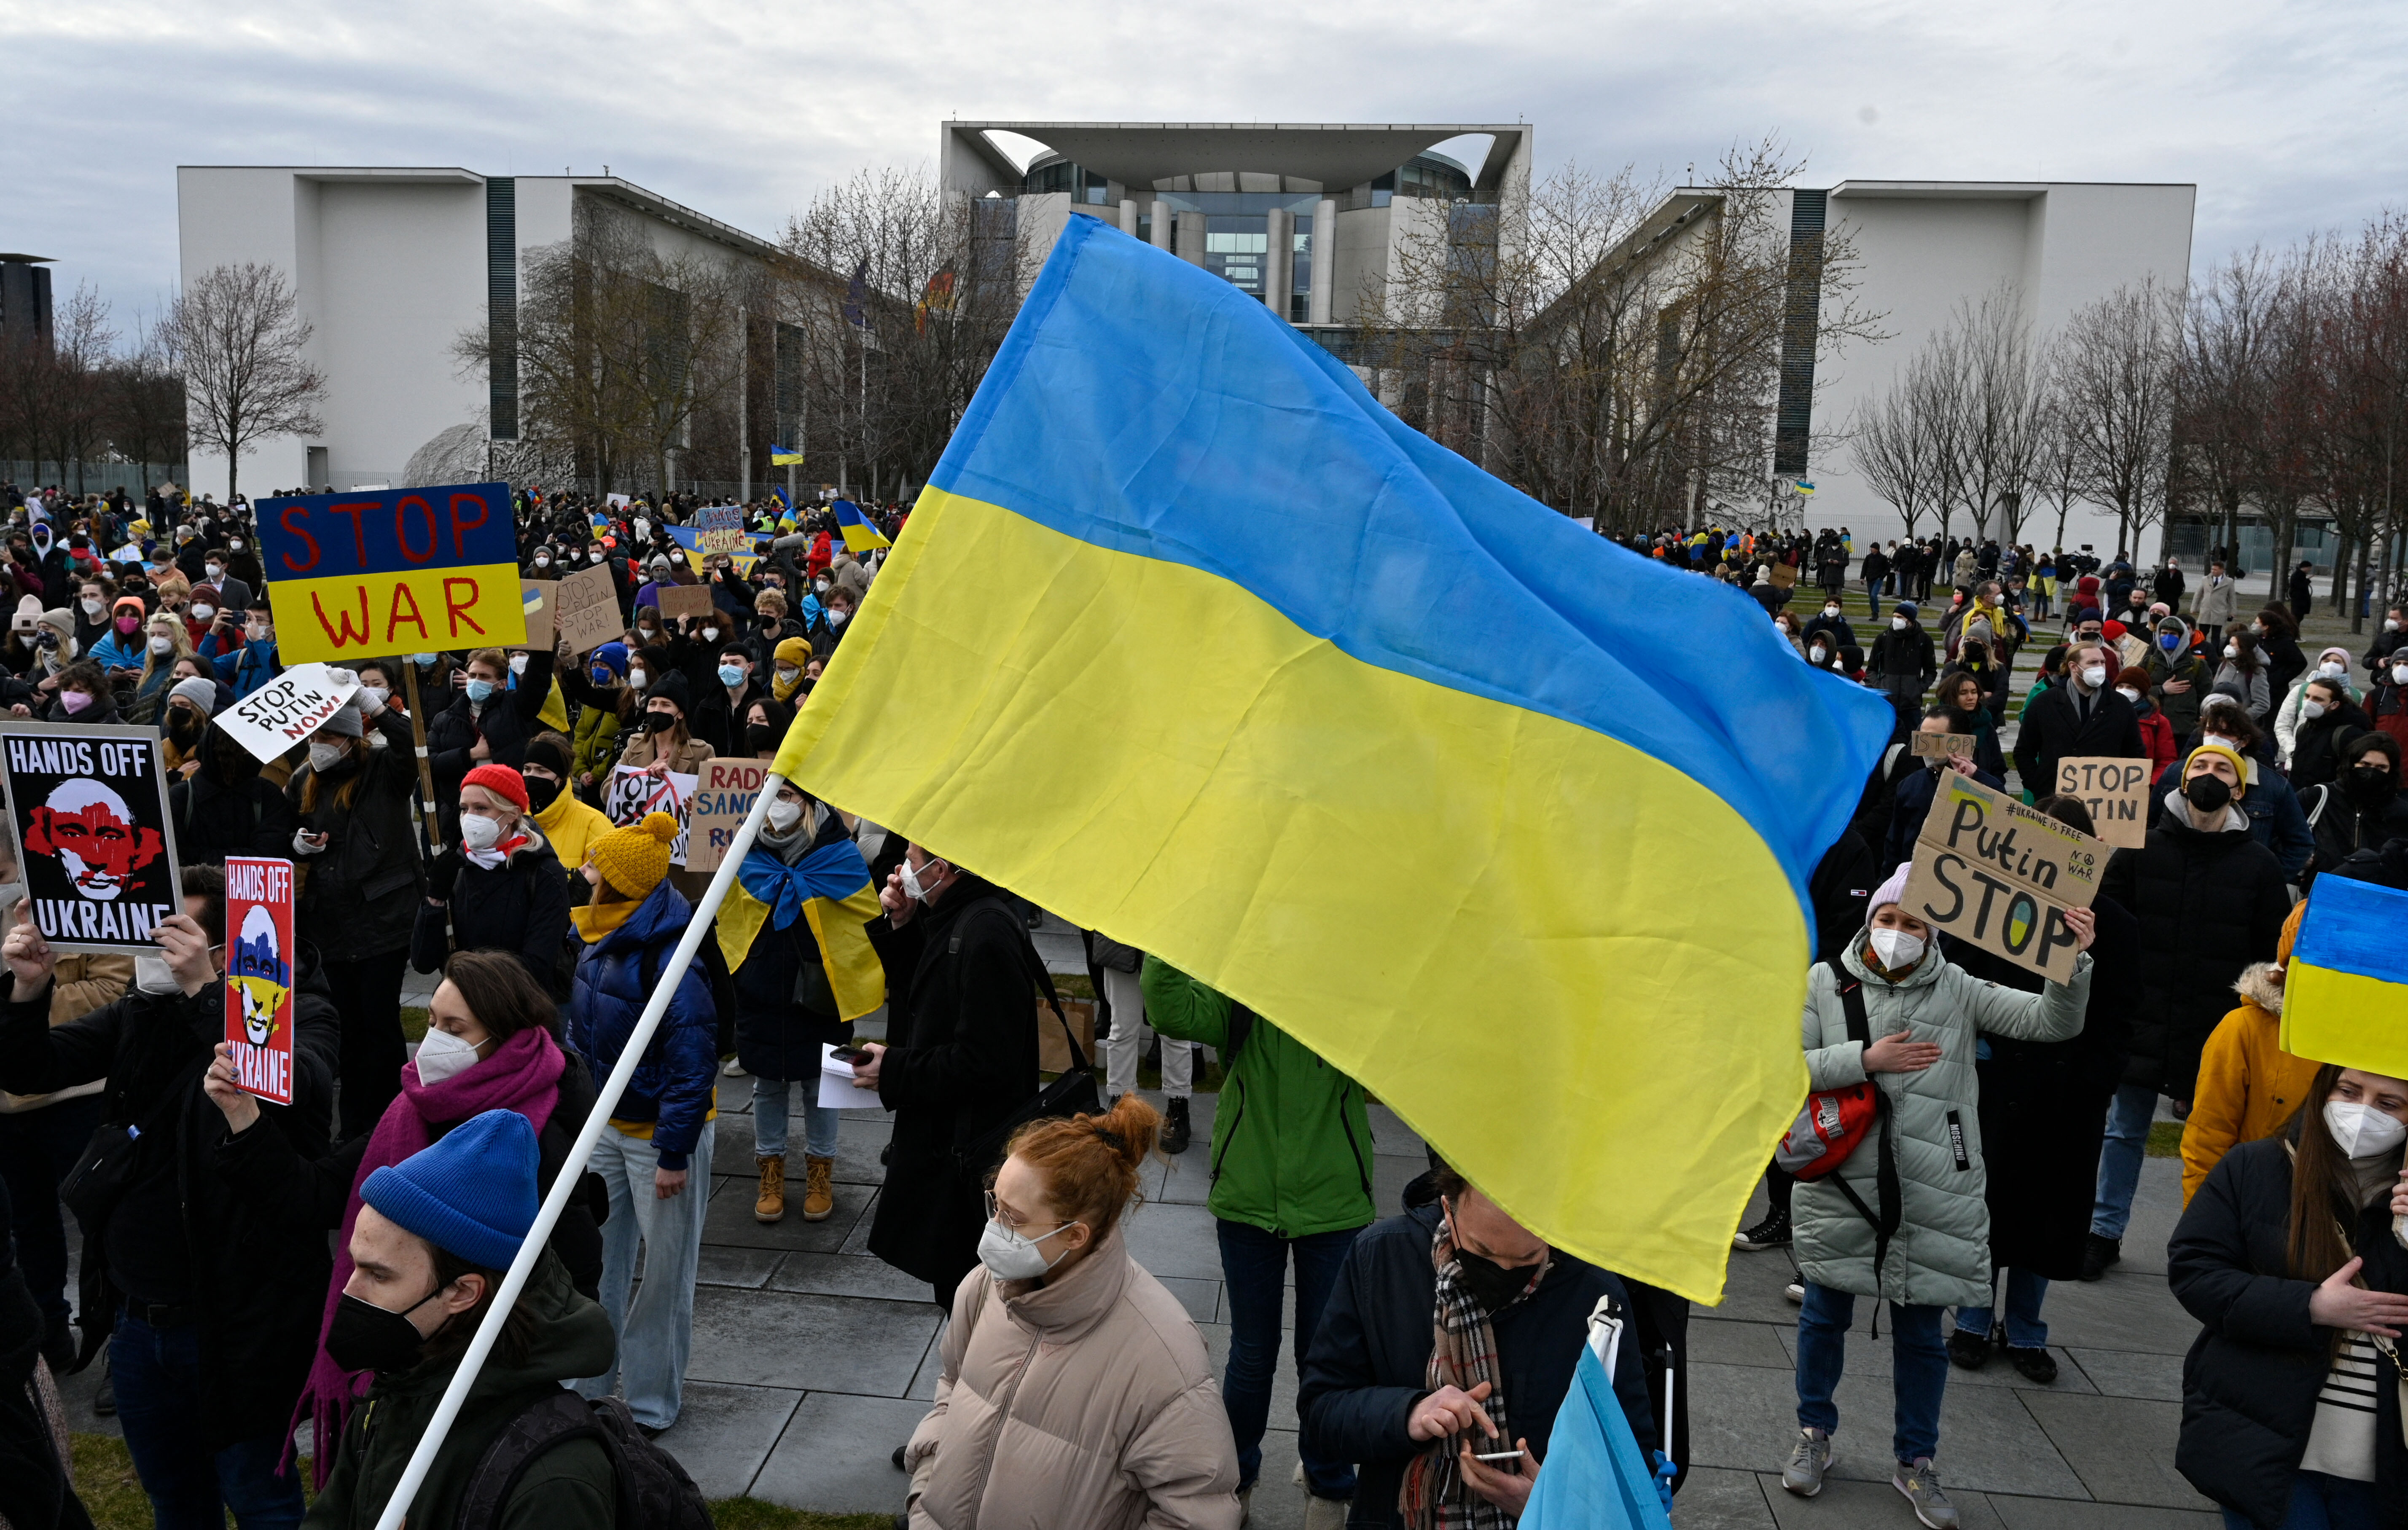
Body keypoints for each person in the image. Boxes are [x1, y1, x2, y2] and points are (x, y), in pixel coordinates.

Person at [0, 866, 336, 1530]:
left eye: (171, 936)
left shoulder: (301, 1010)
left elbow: (300, 1092)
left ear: (227, 951)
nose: (152, 952)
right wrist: (28, 988)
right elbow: (32, 1067)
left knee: (263, 1503)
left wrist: (212, 995)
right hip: (138, 1324)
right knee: (176, 1504)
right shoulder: (143, 1011)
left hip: (239, 1328)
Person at [1778, 865, 2096, 1526]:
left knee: (1923, 1334)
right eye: (1888, 919)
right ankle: (1813, 1433)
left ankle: (1916, 1461)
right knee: (1823, 1317)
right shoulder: (1823, 982)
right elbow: (1783, 1068)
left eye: (1914, 923)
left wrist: (2072, 960)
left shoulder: (1958, 987)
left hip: (1933, 1190)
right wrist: (1865, 1060)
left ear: (1934, 933)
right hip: (1841, 1183)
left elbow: (2050, 1022)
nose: (1898, 933)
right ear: (1870, 922)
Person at [206, 949, 603, 1471]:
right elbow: (315, 1194)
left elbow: (576, 1272)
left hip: (487, 1375)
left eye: (454, 1028)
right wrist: (244, 1117)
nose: (433, 1039)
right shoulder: (413, 1109)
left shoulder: (539, 1136)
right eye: (432, 1020)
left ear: (504, 1039)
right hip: (405, 1359)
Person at [901, 1095, 1243, 1529]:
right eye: (994, 1204)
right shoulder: (983, 1287)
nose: (993, 1228)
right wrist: (925, 1497)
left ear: (1075, 1236)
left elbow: (1199, 1513)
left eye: (1013, 1218)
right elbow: (953, 1387)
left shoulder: (1164, 1357)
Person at [293, 1109, 621, 1530]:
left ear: (463, 1293)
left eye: (379, 1275)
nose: (349, 1291)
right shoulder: (398, 1384)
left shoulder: (554, 1479)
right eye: (355, 1265)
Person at [1301, 1157, 1663, 1530]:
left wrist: (1551, 1505)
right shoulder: (1382, 1258)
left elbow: (1633, 1456)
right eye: (1484, 1252)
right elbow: (1321, 1410)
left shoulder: (1596, 1296)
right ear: (1449, 1208)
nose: (1504, 1273)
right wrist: (1409, 1414)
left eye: (1527, 1257)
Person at [1144, 956, 1377, 1522]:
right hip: (1249, 1197)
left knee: (1323, 1356)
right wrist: (1170, 931)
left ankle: (1328, 1484)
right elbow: (1170, 1008)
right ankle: (1237, 1480)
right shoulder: (1242, 979)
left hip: (1332, 1200)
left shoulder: (1355, 986)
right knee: (1252, 1353)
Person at [2168, 1064, 2408, 1528]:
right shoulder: (2256, 1166)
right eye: (2349, 1091)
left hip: (2383, 1466)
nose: (2363, 1113)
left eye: (2388, 1104)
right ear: (2324, 1090)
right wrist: (2310, 1306)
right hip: (2264, 1443)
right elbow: (2196, 1272)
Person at [2087, 744, 2293, 1280]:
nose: (2209, 775)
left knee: (2216, 1143)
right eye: (2200, 766)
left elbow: (2271, 956)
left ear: (2240, 789)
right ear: (2182, 781)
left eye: (2223, 769)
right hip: (2142, 1018)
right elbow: (2105, 929)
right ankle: (2103, 1232)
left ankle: (2210, 1246)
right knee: (2123, 1131)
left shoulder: (2260, 865)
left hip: (2217, 1031)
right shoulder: (2138, 849)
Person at [566, 812, 718, 1432]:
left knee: (663, 1276)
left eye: (595, 866)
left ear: (620, 883)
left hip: (660, 1138)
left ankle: (652, 1404)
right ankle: (587, 1387)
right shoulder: (597, 936)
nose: (584, 873)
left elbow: (693, 1065)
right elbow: (581, 1037)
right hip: (607, 1128)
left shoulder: (674, 961)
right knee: (596, 1260)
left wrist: (674, 1153)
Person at [857, 843, 1043, 1301]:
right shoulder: (959, 915)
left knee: (973, 1300)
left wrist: (893, 1070)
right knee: (961, 1298)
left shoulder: (986, 931)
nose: (902, 868)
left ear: (940, 871)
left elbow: (985, 1062)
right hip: (953, 1148)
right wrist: (903, 925)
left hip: (969, 1160)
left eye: (912, 860)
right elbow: (929, 999)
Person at [0, 885, 130, 1372]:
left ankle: (122, 1344)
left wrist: (22, 995)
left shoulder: (83, 894)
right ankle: (47, 1338)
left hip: (76, 1094)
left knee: (107, 1222)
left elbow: (114, 991)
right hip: (7, 1099)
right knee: (26, 1227)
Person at [287, 690, 422, 1138]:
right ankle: (353, 1127)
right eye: (313, 737)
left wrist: (374, 706)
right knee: (346, 1027)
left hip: (382, 920)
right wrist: (298, 846)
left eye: (328, 736)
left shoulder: (383, 769)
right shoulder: (304, 779)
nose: (318, 745)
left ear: (349, 737)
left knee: (379, 1024)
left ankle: (391, 1122)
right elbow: (285, 831)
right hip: (329, 923)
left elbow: (411, 745)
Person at [728, 783, 860, 1225]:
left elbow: (858, 921)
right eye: (773, 793)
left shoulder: (838, 852)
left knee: (823, 1084)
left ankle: (821, 1172)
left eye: (787, 794)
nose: (777, 804)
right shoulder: (748, 847)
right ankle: (771, 1174)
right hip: (762, 987)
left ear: (809, 801)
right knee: (767, 1084)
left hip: (822, 991)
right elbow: (729, 917)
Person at [2180, 905, 2316, 1207]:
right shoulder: (2243, 1030)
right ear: (2287, 964)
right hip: (2251, 1209)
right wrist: (2202, 1220)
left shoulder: (2370, 1046)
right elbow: (2208, 1136)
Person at [410, 763, 573, 993]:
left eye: (481, 808)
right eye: (464, 808)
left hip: (518, 1005)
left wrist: (468, 981)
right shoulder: (458, 868)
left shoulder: (544, 873)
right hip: (461, 1002)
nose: (469, 818)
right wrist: (434, 899)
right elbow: (423, 962)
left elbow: (536, 967)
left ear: (512, 814)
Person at [427, 646, 558, 846]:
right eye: (473, 675)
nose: (476, 681)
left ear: (502, 683)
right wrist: (470, 755)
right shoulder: (445, 719)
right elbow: (430, 764)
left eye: (484, 677)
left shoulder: (516, 708)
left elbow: (537, 680)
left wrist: (545, 645)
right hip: (459, 819)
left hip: (506, 816)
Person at [2013, 637, 2145, 802]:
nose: (2100, 667)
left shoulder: (2120, 704)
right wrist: (2038, 786)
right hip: (2054, 798)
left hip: (2103, 799)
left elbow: (2135, 752)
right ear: (2074, 667)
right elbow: (2024, 751)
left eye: (2102, 662)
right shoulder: (2044, 702)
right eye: (2093, 663)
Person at [521, 733, 611, 896]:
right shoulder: (513, 819)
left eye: (542, 771)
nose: (532, 776)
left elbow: (604, 894)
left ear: (562, 777)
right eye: (527, 769)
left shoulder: (594, 824)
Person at [2290, 676, 2375, 795]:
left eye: (2318, 699)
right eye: (2307, 696)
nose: (2309, 702)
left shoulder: (2349, 734)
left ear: (2334, 705)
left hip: (2328, 800)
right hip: (2299, 796)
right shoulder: (2305, 728)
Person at [1867, 602, 1937, 736]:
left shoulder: (1924, 640)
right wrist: (1880, 687)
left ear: (1910, 620)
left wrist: (1918, 689)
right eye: (1894, 616)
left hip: (1911, 706)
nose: (1896, 620)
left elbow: (1931, 671)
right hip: (1886, 704)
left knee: (1911, 741)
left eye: (1900, 617)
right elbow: (1871, 669)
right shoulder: (1883, 638)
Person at [2147, 615, 2214, 744]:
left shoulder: (2197, 665)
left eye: (2173, 634)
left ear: (2182, 637)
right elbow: (2137, 691)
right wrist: (2161, 690)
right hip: (2153, 726)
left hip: (2184, 730)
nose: (2168, 637)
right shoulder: (2149, 662)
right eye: (2164, 633)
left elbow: (2206, 697)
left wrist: (2197, 724)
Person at [2118, 666, 2180, 771]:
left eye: (2131, 687)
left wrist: (2151, 781)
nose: (2124, 690)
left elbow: (2166, 760)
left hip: (2144, 779)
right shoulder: (2105, 715)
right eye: (2120, 686)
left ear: (2142, 692)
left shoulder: (2159, 722)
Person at [2215, 630, 2274, 722]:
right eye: (2230, 644)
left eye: (2233, 645)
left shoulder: (2256, 672)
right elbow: (2213, 690)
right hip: (2217, 721)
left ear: (2244, 649)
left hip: (2239, 725)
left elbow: (2262, 704)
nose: (2229, 647)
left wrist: (2241, 718)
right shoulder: (2224, 665)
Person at [2193, 558, 2239, 644]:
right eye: (2212, 569)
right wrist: (2194, 608)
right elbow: (2198, 594)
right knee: (2202, 634)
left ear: (2222, 570)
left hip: (2220, 611)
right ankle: (2202, 649)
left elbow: (2232, 597)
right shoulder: (2205, 579)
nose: (2213, 571)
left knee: (2216, 635)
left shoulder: (2229, 581)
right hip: (2206, 610)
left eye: (2215, 570)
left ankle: (2214, 651)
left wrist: (2233, 612)